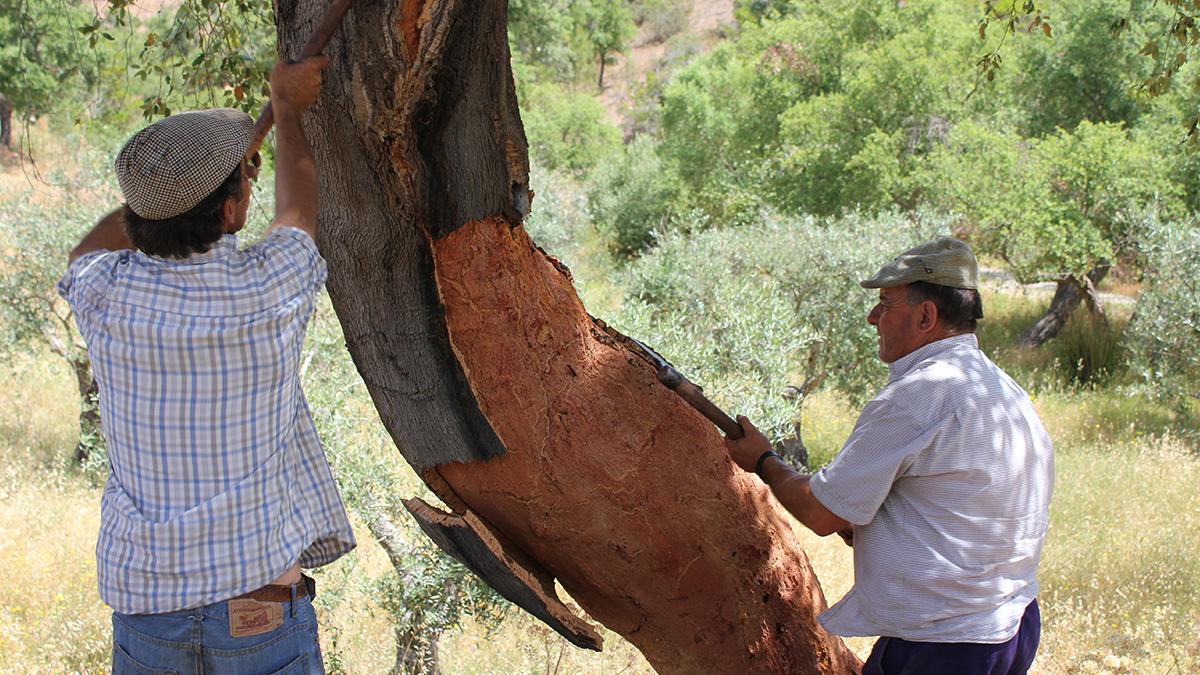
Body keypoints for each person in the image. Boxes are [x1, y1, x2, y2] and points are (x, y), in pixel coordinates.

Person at [57, 57, 355, 674]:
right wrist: (289, 109)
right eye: (244, 184)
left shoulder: (106, 295)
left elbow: (89, 248)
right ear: (229, 213)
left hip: (147, 612)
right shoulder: (268, 291)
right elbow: (299, 210)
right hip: (260, 608)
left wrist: (167, 197)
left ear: (140, 219)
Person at [725, 238, 1054, 674]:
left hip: (946, 644)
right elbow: (959, 506)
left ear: (926, 316)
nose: (872, 317)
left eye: (885, 303)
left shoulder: (919, 395)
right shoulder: (1001, 389)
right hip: (1008, 625)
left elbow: (821, 514)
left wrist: (764, 459)